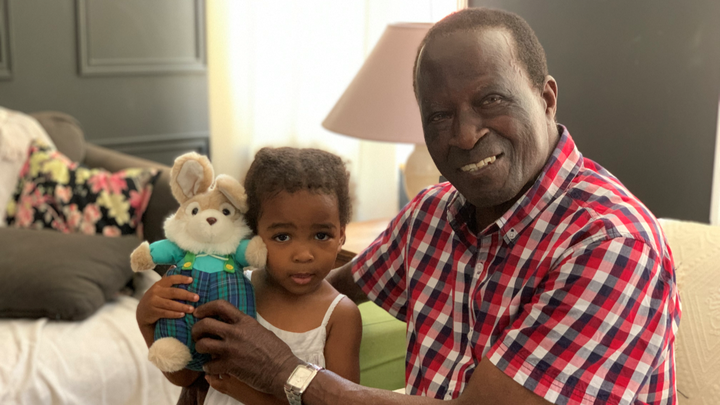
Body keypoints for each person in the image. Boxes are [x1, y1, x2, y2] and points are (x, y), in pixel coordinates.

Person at [190, 7, 680, 405]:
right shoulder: (431, 214)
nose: (464, 135)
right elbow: (320, 289)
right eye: (440, 115)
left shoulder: (612, 243)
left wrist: (283, 371)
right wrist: (210, 318)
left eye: (491, 99)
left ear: (547, 98)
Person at [136, 147, 362, 404]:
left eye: (321, 235)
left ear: (341, 235)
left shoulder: (340, 316)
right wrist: (145, 319)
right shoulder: (231, 289)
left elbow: (340, 402)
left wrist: (252, 396)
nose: (303, 255)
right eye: (282, 237)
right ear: (252, 234)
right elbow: (186, 376)